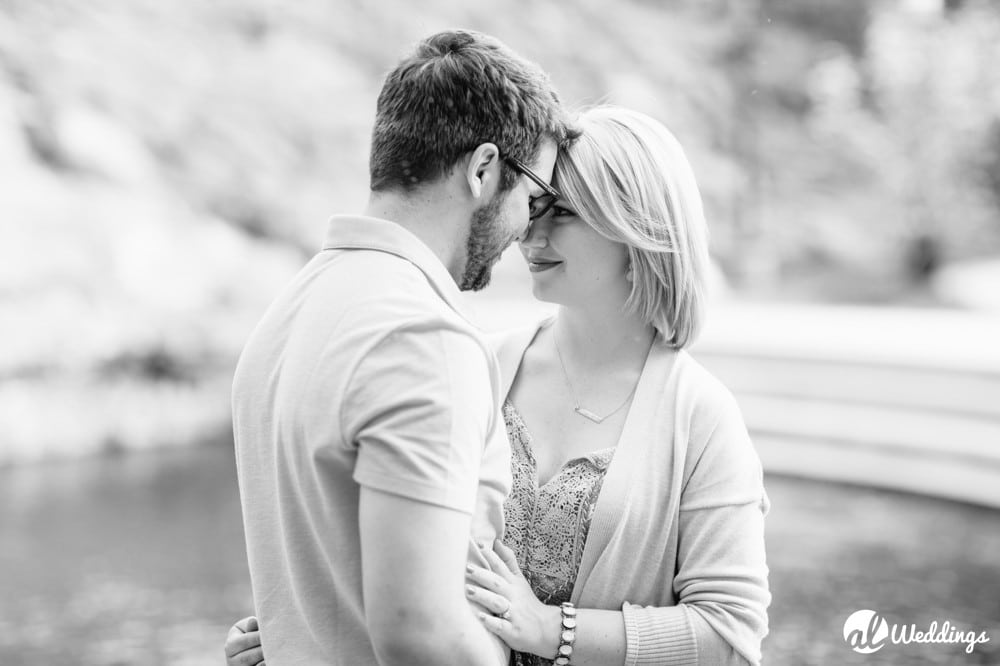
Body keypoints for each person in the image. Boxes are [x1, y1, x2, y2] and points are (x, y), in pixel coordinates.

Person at [227, 106, 770, 666]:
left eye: (561, 213)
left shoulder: (703, 418)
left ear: (637, 229)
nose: (528, 232)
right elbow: (388, 559)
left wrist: (552, 630)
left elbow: (729, 633)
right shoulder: (472, 363)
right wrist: (305, 628)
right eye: (532, 207)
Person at [229, 28, 576, 666]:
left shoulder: (289, 313)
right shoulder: (426, 338)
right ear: (482, 169)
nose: (529, 227)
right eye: (534, 198)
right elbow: (421, 633)